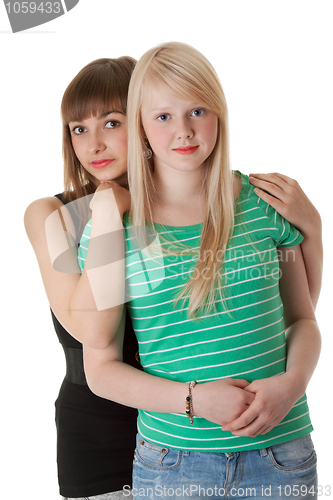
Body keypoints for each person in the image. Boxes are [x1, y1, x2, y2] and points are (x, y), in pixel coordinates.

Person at [77, 42, 322, 499]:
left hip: (281, 456)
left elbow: (303, 320)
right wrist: (194, 400)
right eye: (163, 116)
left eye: (197, 111)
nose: (184, 131)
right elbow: (101, 370)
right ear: (141, 127)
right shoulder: (115, 230)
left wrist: (293, 383)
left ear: (219, 114)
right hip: (172, 464)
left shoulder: (263, 204)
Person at [24, 57, 141, 500]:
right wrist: (108, 213)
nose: (93, 144)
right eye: (78, 129)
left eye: (111, 123)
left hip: (188, 428)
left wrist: (315, 232)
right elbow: (92, 329)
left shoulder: (179, 213)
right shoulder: (51, 215)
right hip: (96, 438)